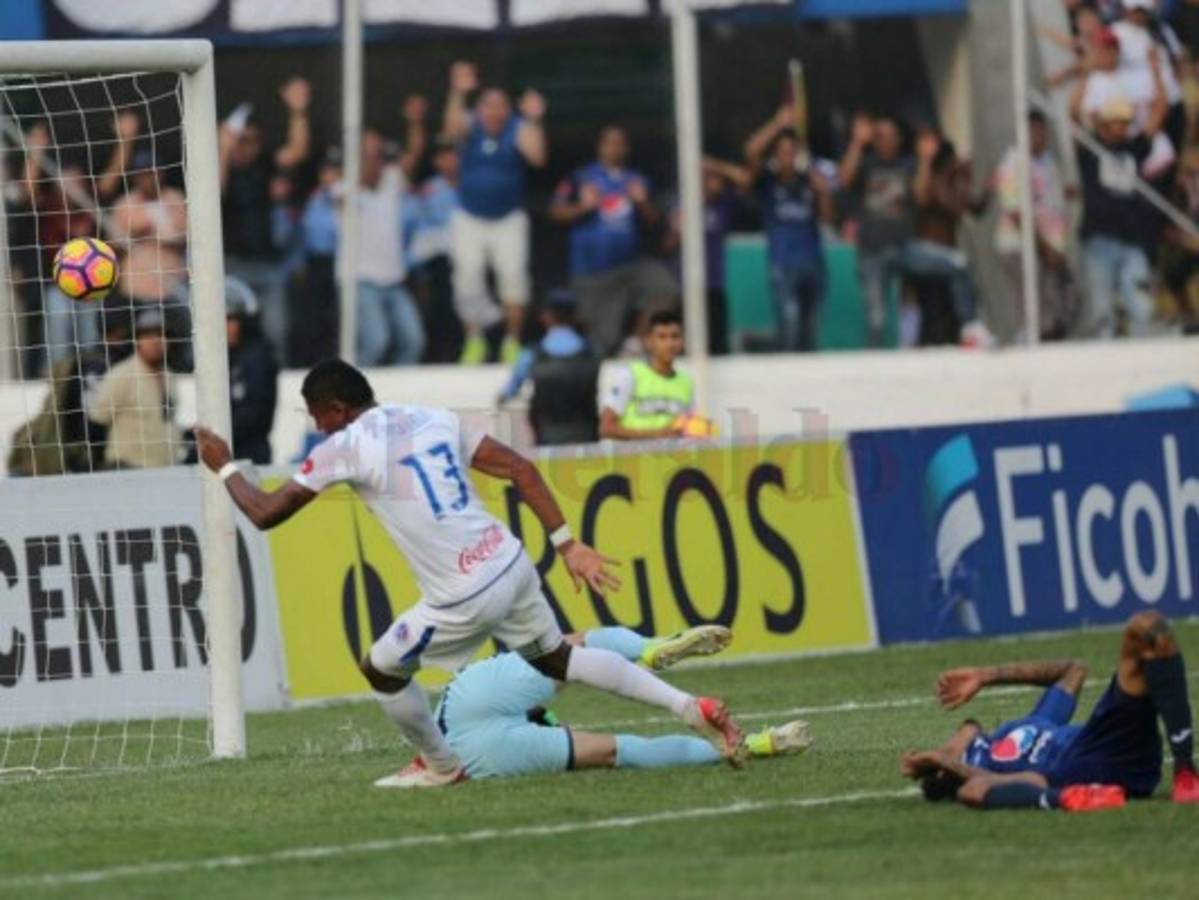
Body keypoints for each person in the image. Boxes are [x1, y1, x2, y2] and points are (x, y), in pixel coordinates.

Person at [193, 359, 745, 789]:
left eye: (315, 415)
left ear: (336, 409)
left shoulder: (344, 445)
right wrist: (568, 544)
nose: (316, 427)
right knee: (558, 658)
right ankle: (686, 707)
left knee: (381, 667)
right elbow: (520, 469)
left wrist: (225, 465)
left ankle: (441, 764)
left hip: (464, 592)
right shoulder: (432, 416)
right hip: (512, 561)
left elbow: (265, 514)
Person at [900, 611, 1199, 811]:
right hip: (1076, 772)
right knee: (975, 793)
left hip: (1112, 742)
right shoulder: (982, 769)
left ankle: (1185, 770)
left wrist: (985, 675)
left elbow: (1073, 671)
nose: (962, 729)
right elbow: (976, 789)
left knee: (1149, 630)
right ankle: (1076, 798)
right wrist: (944, 762)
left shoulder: (1027, 725)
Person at [437, 625, 813, 780]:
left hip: (473, 752)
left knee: (622, 751)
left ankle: (756, 745)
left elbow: (545, 720)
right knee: (569, 649)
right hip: (465, 696)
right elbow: (544, 712)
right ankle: (649, 649)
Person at [443, 61, 547, 364]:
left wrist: (535, 120)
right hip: (469, 217)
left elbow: (538, 157)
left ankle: (511, 342)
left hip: (508, 218)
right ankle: (474, 340)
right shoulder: (469, 126)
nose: (494, 112)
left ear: (508, 110)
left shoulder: (518, 127)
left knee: (513, 276)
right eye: (487, 105)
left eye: (500, 106)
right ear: (478, 110)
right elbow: (450, 131)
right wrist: (457, 93)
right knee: (467, 278)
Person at [549, 125, 678, 357]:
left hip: (629, 266)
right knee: (601, 341)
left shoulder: (636, 179)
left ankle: (636, 343)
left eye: (620, 143)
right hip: (592, 271)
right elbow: (555, 212)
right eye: (609, 142)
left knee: (664, 287)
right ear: (600, 147)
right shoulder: (581, 178)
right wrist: (583, 207)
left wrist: (642, 202)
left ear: (626, 149)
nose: (614, 148)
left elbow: (654, 222)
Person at [1073, 55, 1169, 337]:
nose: (1123, 127)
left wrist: (1155, 72)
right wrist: (1085, 77)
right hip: (1099, 238)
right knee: (1102, 310)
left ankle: (1143, 356)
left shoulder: (1134, 148)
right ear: (1104, 124)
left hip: (1132, 240)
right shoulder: (1090, 150)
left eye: (1125, 122)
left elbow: (1159, 112)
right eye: (1117, 122)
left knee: (1141, 304)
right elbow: (1072, 114)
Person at [218, 77, 313, 360]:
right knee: (230, 333)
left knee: (275, 331)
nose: (248, 147)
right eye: (242, 141)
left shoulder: (265, 166)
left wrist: (297, 111)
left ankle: (275, 388)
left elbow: (297, 151)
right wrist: (223, 146)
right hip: (234, 265)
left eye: (253, 141)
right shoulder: (221, 170)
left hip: (269, 266)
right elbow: (215, 188)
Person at [337, 99, 427, 367]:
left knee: (414, 340)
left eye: (378, 152)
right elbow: (340, 197)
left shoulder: (392, 178)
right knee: (376, 342)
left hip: (394, 280)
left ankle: (398, 394)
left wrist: (414, 122)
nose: (374, 158)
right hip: (360, 282)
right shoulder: (342, 190)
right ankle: (356, 396)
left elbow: (416, 151)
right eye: (367, 152)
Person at [744, 107, 834, 352]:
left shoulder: (810, 180)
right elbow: (751, 150)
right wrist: (777, 123)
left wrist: (823, 193)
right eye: (782, 152)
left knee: (811, 329)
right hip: (782, 264)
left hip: (813, 262)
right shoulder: (767, 181)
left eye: (792, 152)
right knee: (790, 322)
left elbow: (827, 220)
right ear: (775, 156)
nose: (787, 157)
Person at [993, 110, 1078, 341]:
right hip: (1022, 246)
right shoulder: (1012, 163)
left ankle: (1051, 352)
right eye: (1032, 131)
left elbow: (1048, 197)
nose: (1038, 136)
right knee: (1035, 309)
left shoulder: (1048, 160)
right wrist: (1044, 249)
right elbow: (1015, 212)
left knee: (1065, 303)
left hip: (1051, 247)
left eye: (1041, 130)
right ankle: (1029, 355)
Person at [839, 112, 917, 347]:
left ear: (899, 138)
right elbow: (843, 179)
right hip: (871, 251)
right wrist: (857, 143)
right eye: (879, 136)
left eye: (889, 135)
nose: (885, 140)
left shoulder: (908, 165)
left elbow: (921, 196)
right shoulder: (866, 164)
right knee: (876, 315)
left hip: (904, 247)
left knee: (953, 265)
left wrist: (925, 159)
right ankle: (874, 363)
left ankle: (912, 347)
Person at [497, 289, 599, 447]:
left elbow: (510, 391)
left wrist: (501, 398)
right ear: (575, 316)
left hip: (548, 438)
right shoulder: (593, 352)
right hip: (587, 437)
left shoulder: (532, 354)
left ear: (546, 317)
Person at [89, 309, 178, 470]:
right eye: (147, 335)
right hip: (126, 469)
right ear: (137, 340)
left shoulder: (170, 376)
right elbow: (97, 423)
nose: (155, 341)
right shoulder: (121, 375)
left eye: (160, 334)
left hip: (163, 469)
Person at [598, 309, 693, 441]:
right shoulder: (630, 376)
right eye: (662, 337)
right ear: (649, 341)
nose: (670, 344)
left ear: (682, 341)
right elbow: (606, 428)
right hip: (633, 460)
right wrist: (657, 434)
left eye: (675, 336)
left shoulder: (685, 382)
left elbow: (687, 428)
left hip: (669, 460)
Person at [409, 138, 463, 363]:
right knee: (441, 311)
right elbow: (421, 230)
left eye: (452, 155)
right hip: (440, 261)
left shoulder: (472, 183)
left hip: (468, 256)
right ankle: (443, 356)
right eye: (442, 157)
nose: (448, 161)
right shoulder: (430, 189)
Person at [226, 277, 278, 465]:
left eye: (230, 319)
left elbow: (253, 415)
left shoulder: (257, 357)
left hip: (250, 456)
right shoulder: (229, 359)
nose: (224, 327)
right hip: (229, 453)